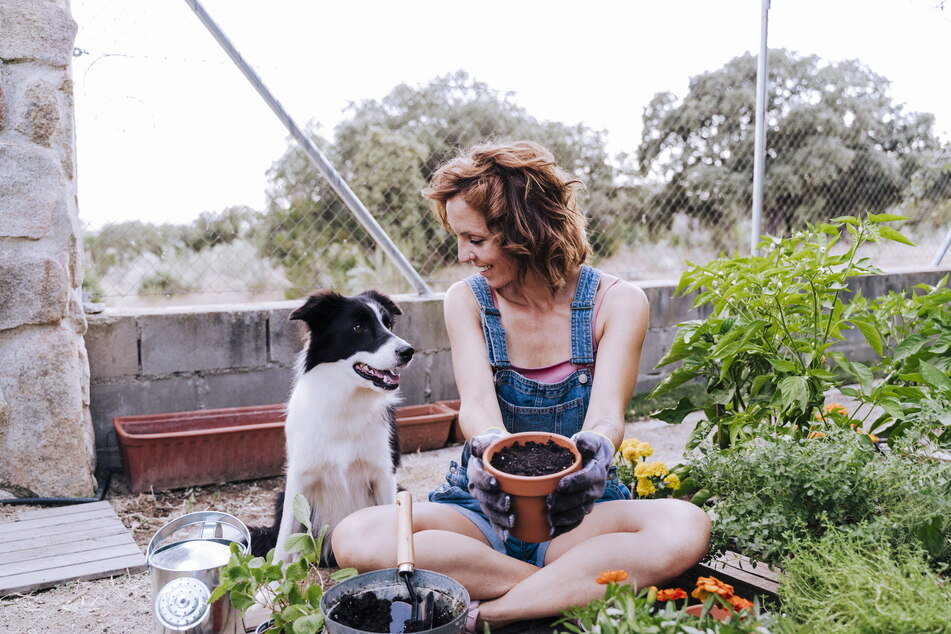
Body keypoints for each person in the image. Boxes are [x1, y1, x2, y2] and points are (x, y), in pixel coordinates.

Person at [333, 140, 710, 631]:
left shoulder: (618, 303)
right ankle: (563, 585)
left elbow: (606, 417)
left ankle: (488, 613)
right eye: (459, 239)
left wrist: (595, 448)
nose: (464, 255)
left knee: (685, 525)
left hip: (577, 511)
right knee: (356, 535)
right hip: (483, 511)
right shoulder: (466, 300)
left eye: (477, 240)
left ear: (525, 231)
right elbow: (476, 408)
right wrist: (489, 445)